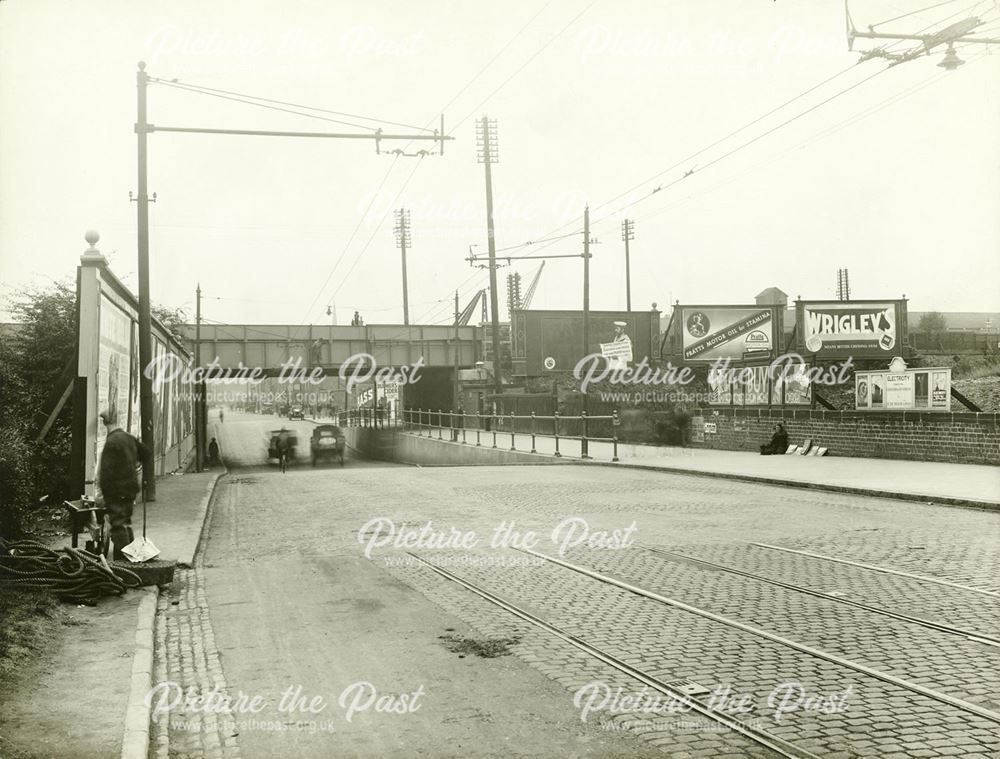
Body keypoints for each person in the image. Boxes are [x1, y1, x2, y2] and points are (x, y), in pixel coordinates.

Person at [97, 409, 146, 560]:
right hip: (130, 489)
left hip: (116, 492)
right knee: (126, 522)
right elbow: (146, 454)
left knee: (117, 526)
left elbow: (105, 473)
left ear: (105, 424)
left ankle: (125, 564)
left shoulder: (111, 442)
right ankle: (128, 560)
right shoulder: (128, 438)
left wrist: (102, 495)